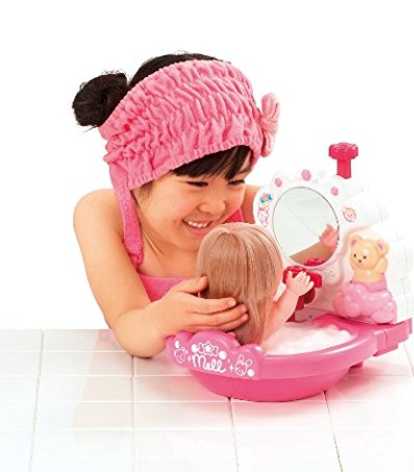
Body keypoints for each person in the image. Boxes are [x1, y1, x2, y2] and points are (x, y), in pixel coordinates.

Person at [72, 52, 280, 358]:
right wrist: (161, 320)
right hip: (157, 382)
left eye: (236, 181)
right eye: (197, 184)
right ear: (140, 173)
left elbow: (323, 251)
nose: (215, 207)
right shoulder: (105, 215)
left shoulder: (258, 207)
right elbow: (128, 326)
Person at [196, 223, 314, 346]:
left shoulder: (199, 316)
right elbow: (281, 311)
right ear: (267, 279)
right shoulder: (264, 322)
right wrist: (293, 292)